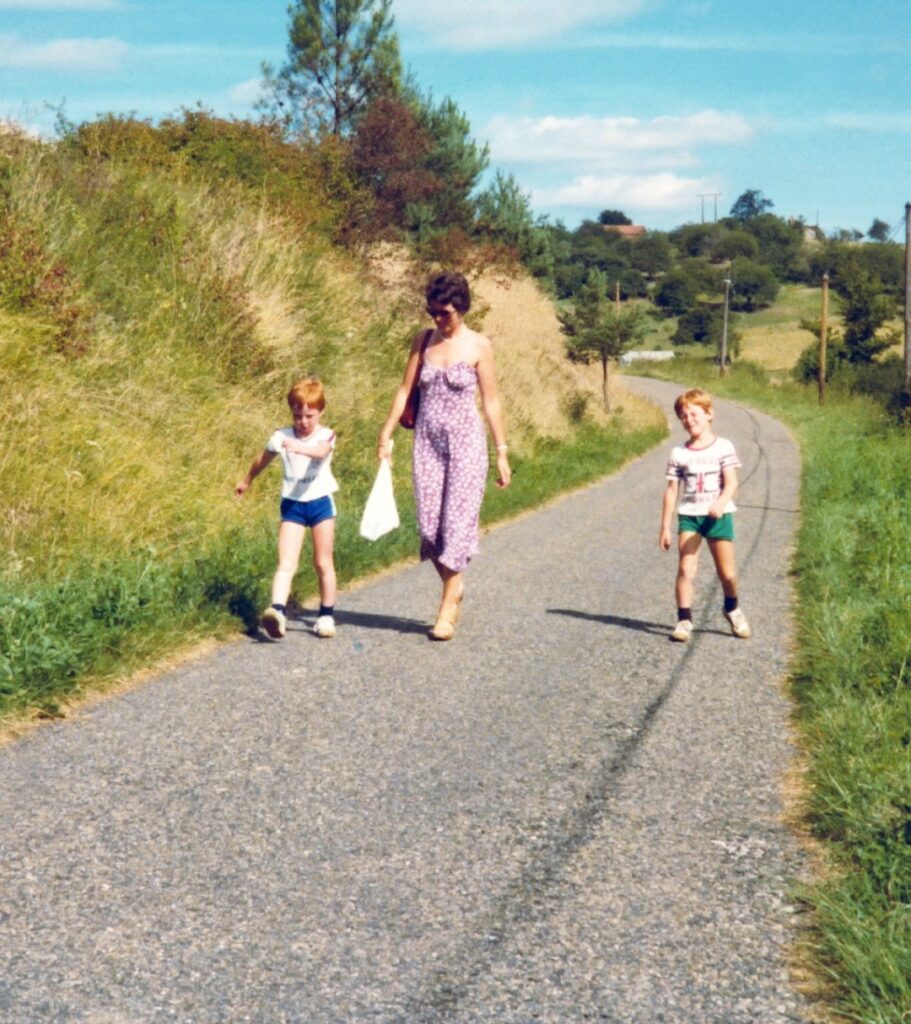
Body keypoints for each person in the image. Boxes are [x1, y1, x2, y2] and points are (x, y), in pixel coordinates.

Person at [377, 271, 511, 640]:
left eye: (445, 313)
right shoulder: (422, 342)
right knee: (429, 526)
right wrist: (385, 433)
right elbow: (405, 391)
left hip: (467, 445)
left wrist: (502, 451)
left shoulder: (479, 346)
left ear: (462, 309)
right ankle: (457, 584)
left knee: (456, 524)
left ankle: (447, 609)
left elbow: (492, 401)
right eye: (433, 312)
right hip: (427, 445)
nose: (438, 319)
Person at [235, 377, 338, 640]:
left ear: (320, 413)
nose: (303, 422)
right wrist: (247, 480)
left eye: (309, 416)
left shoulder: (326, 435)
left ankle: (326, 615)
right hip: (292, 504)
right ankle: (277, 611)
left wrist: (298, 447)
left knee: (322, 561)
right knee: (285, 562)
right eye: (297, 415)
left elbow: (320, 451)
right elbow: (263, 458)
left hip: (320, 503)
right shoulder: (281, 436)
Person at [658, 387, 751, 643]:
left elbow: (731, 482)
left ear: (709, 414)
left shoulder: (723, 447)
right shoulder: (679, 453)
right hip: (690, 516)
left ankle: (732, 608)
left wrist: (721, 503)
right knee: (686, 569)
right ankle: (684, 620)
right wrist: (665, 526)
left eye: (694, 414)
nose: (689, 420)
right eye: (684, 416)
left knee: (728, 574)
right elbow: (671, 490)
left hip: (718, 516)